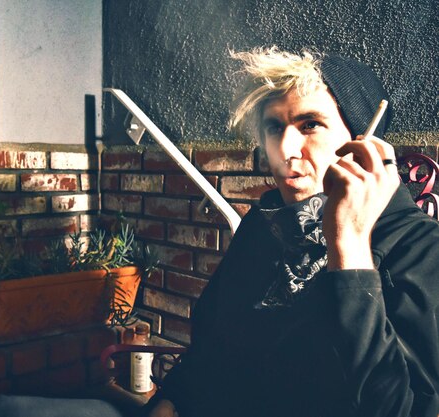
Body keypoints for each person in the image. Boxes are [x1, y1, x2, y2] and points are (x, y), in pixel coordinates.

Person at [143, 47, 439, 417]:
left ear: (363, 143)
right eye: (274, 127)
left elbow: (403, 408)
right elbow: (212, 349)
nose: (284, 149)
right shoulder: (263, 225)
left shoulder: (421, 248)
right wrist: (168, 403)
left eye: (310, 124)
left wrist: (348, 247)